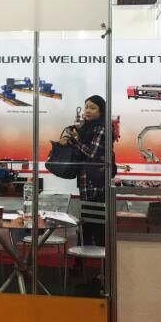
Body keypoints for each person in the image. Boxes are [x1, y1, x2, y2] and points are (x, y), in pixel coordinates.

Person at [59, 94, 116, 248]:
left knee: (96, 225)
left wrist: (76, 139)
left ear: (101, 111)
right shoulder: (88, 128)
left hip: (96, 184)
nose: (88, 111)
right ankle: (84, 258)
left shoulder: (102, 128)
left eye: (93, 108)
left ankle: (98, 260)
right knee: (87, 223)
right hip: (87, 182)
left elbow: (92, 153)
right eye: (86, 107)